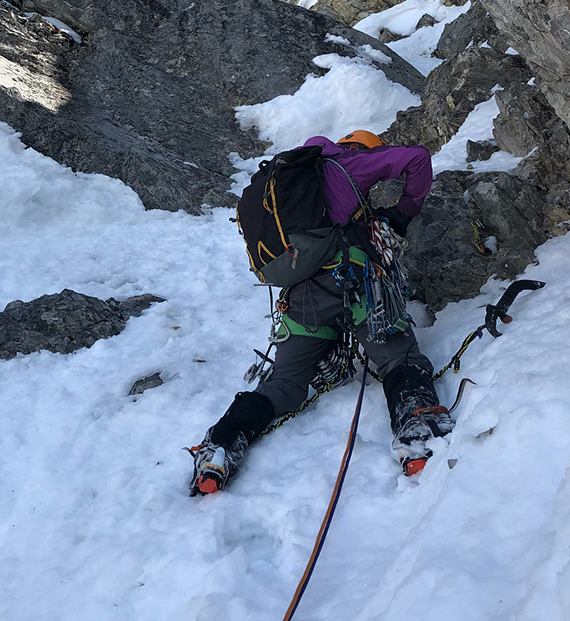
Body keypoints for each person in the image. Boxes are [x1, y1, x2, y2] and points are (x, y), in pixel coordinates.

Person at [189, 129, 454, 495]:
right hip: (359, 283)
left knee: (283, 384)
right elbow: (417, 158)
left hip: (302, 299)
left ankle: (221, 445)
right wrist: (404, 213)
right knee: (398, 359)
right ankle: (416, 431)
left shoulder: (287, 181)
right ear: (361, 148)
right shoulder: (348, 163)